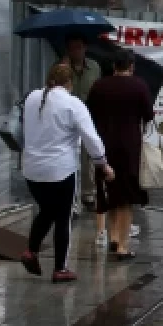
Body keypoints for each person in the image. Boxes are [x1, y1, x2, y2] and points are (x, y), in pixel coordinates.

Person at [20, 64, 114, 283]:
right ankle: (60, 268)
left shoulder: (31, 98)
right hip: (60, 171)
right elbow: (91, 139)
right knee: (63, 217)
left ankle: (31, 251)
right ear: (69, 82)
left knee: (47, 211)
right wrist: (102, 163)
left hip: (32, 169)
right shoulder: (73, 104)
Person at [86, 49, 153, 260]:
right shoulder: (139, 86)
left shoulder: (99, 86)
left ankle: (113, 237)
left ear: (113, 66)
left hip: (103, 145)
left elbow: (89, 113)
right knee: (126, 196)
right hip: (129, 146)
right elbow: (148, 115)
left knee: (109, 192)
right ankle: (123, 246)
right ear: (131, 66)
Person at [61, 35, 102, 210]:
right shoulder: (60, 67)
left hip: (88, 116)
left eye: (79, 47)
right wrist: (64, 69)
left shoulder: (94, 67)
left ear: (85, 48)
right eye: (72, 48)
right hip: (65, 118)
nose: (76, 51)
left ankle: (88, 194)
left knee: (87, 156)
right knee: (68, 156)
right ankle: (71, 197)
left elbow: (99, 90)